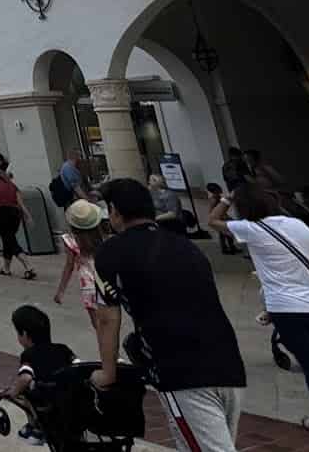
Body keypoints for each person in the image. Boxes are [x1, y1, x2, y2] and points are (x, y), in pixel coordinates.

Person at [91, 178, 247, 452]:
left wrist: (107, 373)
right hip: (228, 363)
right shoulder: (185, 246)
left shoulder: (111, 252)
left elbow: (107, 317)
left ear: (114, 210)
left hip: (179, 370)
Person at [209, 183, 309, 449]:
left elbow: (213, 221)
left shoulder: (251, 229)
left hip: (287, 309)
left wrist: (224, 198)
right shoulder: (298, 225)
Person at [10, 303, 76, 446]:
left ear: (25, 334)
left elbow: (25, 377)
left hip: (47, 401)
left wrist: (13, 393)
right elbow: (77, 366)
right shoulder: (63, 349)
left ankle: (35, 428)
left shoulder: (28, 355)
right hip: (69, 398)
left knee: (26, 390)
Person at [53, 199, 106, 308]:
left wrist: (61, 291)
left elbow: (69, 266)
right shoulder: (100, 236)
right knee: (108, 321)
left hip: (87, 285)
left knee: (97, 323)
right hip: (105, 284)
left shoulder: (70, 240)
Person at [0, 163, 33, 279]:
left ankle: (28, 266)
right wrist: (28, 216)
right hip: (15, 214)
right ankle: (6, 268)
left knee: (9, 240)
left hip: (0, 213)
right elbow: (20, 203)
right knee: (8, 238)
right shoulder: (12, 185)